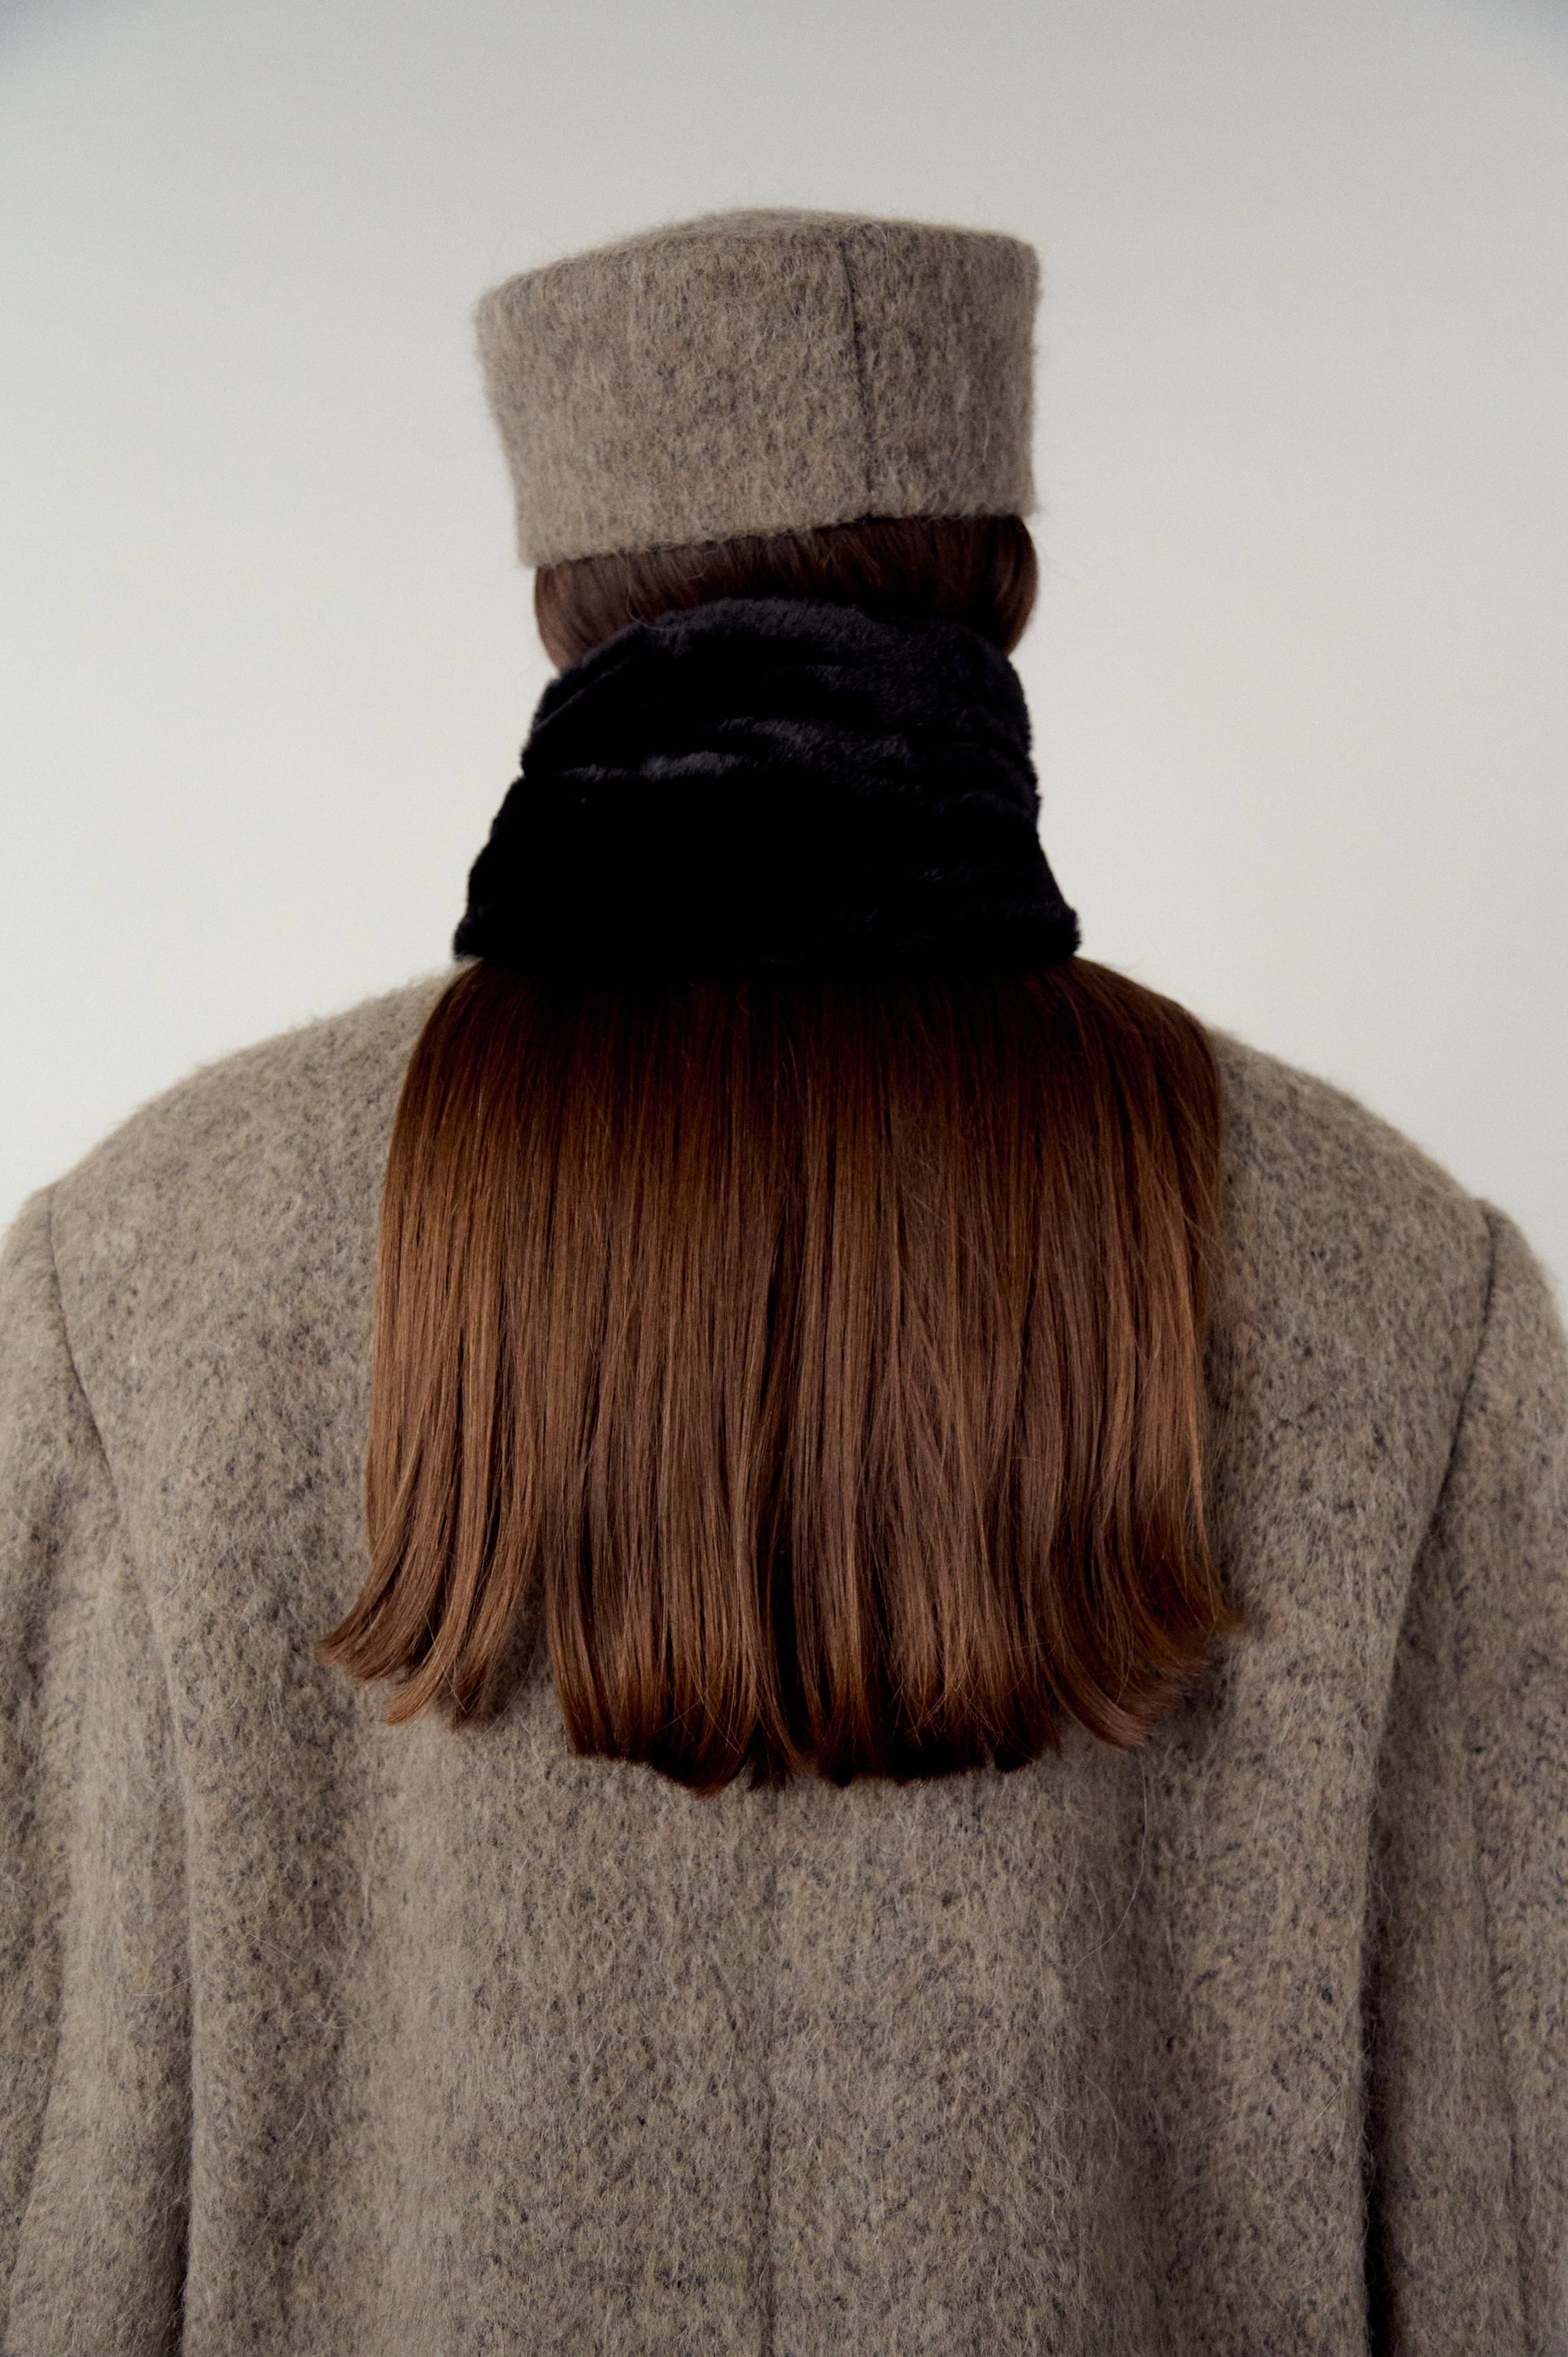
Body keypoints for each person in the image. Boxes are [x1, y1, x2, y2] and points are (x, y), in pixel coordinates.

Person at [1, 208, 1563, 2356]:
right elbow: (1517, 2193)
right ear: (1003, 572)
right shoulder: (1405, 1289)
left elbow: (52, 2196)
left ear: (564, 603)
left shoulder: (147, 1275)